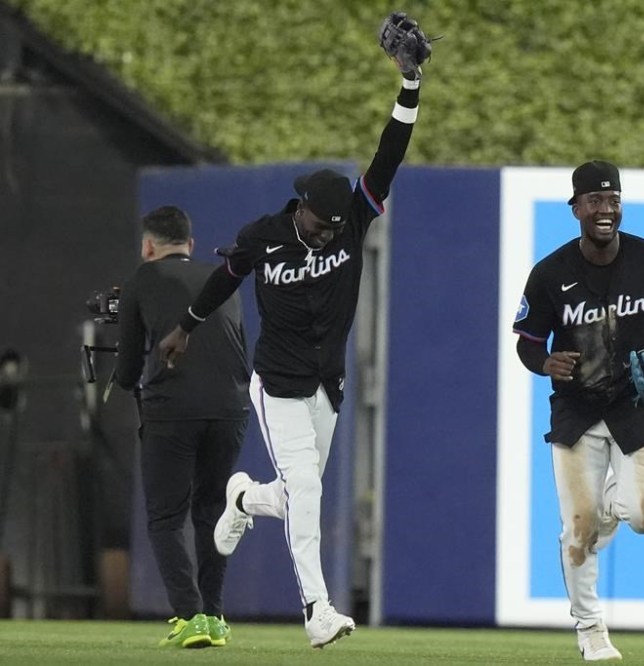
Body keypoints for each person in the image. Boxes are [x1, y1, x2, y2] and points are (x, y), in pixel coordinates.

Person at [156, 42, 427, 650]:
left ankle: (244, 499)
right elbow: (227, 277)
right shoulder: (265, 237)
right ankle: (317, 609)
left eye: (338, 224)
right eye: (322, 222)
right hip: (277, 381)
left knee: (293, 491)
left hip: (327, 382)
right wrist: (186, 326)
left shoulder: (352, 220)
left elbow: (389, 155)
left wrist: (409, 86)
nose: (331, 230)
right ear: (302, 207)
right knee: (307, 491)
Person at [512, 160, 644, 661]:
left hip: (635, 402)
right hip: (577, 410)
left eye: (612, 200)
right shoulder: (550, 273)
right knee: (577, 531)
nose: (605, 209)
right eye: (594, 201)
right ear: (576, 209)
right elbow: (526, 341)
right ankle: (591, 630)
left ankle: (603, 513)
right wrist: (546, 362)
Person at [116, 206, 251, 648]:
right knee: (212, 511)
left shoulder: (140, 281)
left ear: (148, 246)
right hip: (232, 407)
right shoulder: (223, 280)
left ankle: (189, 615)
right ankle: (213, 616)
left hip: (172, 408)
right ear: (190, 245)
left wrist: (121, 379)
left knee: (165, 517)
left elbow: (129, 366)